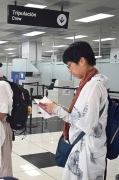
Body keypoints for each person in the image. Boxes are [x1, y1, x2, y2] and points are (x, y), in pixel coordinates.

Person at [44, 41, 109, 180]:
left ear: (81, 61)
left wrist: (56, 110)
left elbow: (85, 123)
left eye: (69, 66)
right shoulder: (88, 83)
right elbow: (81, 113)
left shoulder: (93, 86)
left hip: (87, 151)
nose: (69, 71)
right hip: (84, 148)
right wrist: (60, 108)